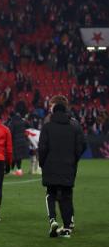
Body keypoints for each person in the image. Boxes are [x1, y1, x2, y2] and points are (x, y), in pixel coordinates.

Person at [39, 102, 86, 238]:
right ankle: (66, 228)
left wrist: (43, 164)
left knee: (50, 194)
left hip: (50, 166)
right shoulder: (73, 128)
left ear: (53, 112)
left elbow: (42, 148)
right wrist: (73, 160)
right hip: (68, 166)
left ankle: (53, 220)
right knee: (66, 196)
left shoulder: (47, 127)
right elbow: (80, 146)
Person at [6, 102, 30, 176]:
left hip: (15, 141)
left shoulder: (12, 122)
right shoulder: (22, 121)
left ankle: (12, 170)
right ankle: (19, 170)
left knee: (14, 156)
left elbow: (10, 132)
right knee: (19, 157)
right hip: (22, 141)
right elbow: (28, 126)